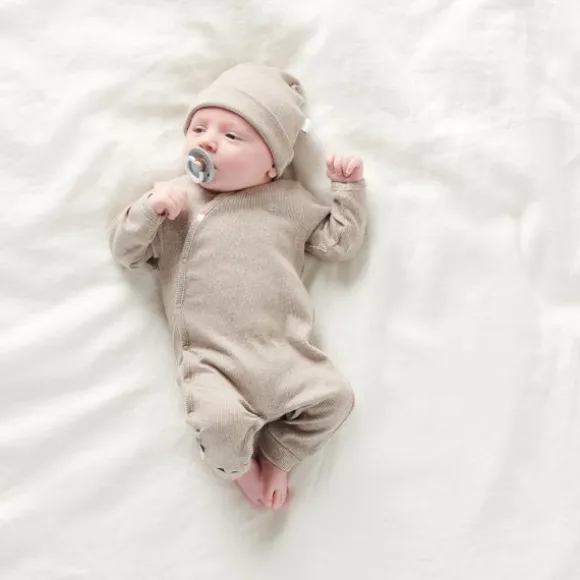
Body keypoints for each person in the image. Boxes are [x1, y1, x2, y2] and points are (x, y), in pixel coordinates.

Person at [109, 63, 367, 509]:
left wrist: (348, 189)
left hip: (284, 353)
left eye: (232, 136)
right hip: (212, 360)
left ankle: (279, 457)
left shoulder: (291, 202)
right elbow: (126, 252)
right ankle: (244, 472)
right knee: (219, 424)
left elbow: (337, 243)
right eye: (199, 128)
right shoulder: (176, 200)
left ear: (272, 166)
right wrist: (150, 210)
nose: (208, 141)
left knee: (334, 399)